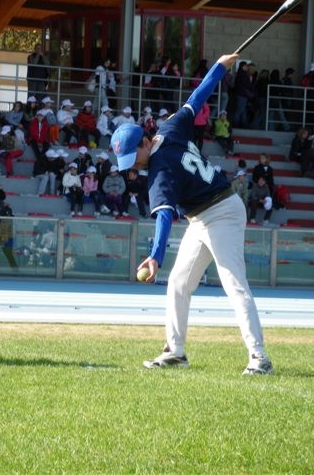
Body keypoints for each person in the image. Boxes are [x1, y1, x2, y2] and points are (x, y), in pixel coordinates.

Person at [111, 52, 273, 375]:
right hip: (202, 217)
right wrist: (219, 67)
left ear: (145, 141)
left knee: (233, 282)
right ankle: (175, 351)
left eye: (135, 157)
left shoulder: (159, 171)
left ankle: (259, 358)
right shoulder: (170, 128)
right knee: (179, 283)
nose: (135, 165)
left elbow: (163, 217)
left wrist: (155, 255)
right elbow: (196, 98)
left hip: (223, 211)